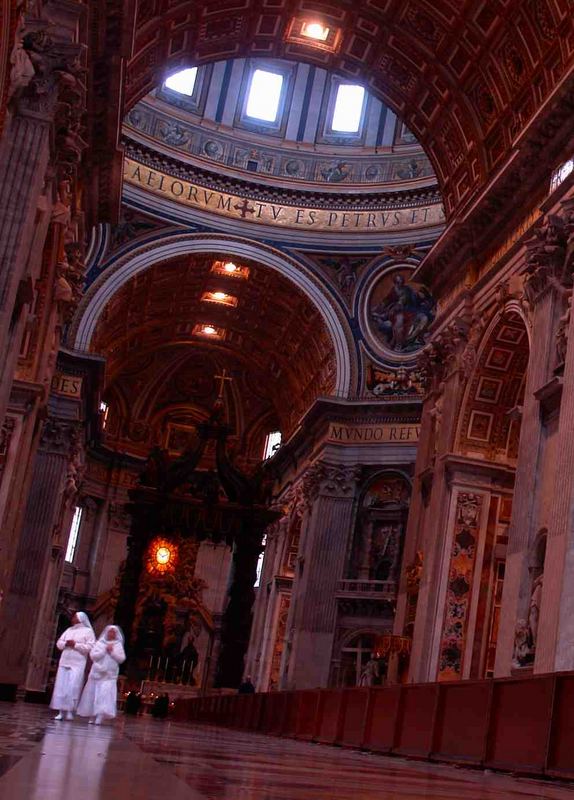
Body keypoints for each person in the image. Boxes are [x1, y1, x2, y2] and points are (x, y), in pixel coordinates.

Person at [50, 611, 96, 721]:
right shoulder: (69, 630)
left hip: (77, 663)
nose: (73, 618)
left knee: (72, 687)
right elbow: (59, 643)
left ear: (81, 618)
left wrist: (75, 645)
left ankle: (70, 711)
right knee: (61, 686)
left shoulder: (88, 632)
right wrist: (65, 643)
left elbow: (90, 647)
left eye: (75, 616)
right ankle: (60, 711)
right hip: (65, 661)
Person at [77, 625, 126, 725]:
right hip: (97, 672)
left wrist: (112, 652)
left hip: (109, 675)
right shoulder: (99, 643)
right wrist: (104, 650)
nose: (111, 634)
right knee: (93, 693)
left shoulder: (118, 645)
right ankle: (92, 715)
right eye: (110, 631)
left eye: (113, 632)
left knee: (104, 695)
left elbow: (121, 658)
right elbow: (93, 656)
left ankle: (100, 715)